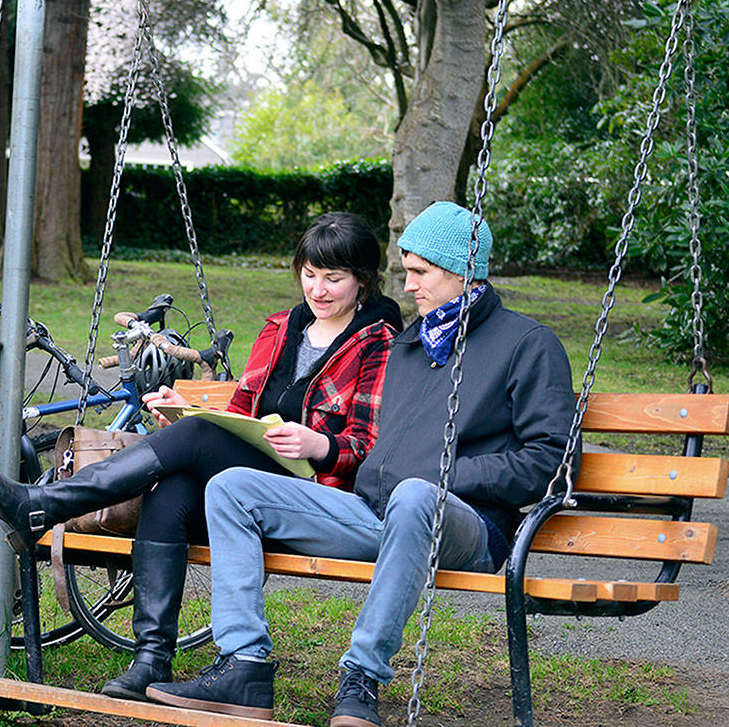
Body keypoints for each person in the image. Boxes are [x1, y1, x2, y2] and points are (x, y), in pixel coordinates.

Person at [145, 201, 577, 726]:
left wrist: (443, 478)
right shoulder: (412, 345)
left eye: (419, 271)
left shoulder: (528, 345)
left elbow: (551, 462)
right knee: (234, 487)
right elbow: (375, 443)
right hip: (376, 515)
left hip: (468, 527)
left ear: (461, 270)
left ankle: (361, 679)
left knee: (417, 495)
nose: (408, 283)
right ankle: (244, 665)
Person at [0, 211, 404, 701]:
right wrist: (183, 412)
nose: (318, 290)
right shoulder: (283, 328)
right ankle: (151, 660)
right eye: (309, 275)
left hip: (310, 494)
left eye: (334, 278)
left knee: (197, 438)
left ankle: (47, 505)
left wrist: (319, 445)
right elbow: (241, 411)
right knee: (173, 488)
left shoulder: (379, 344)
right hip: (241, 487)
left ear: (363, 282)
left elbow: (369, 450)